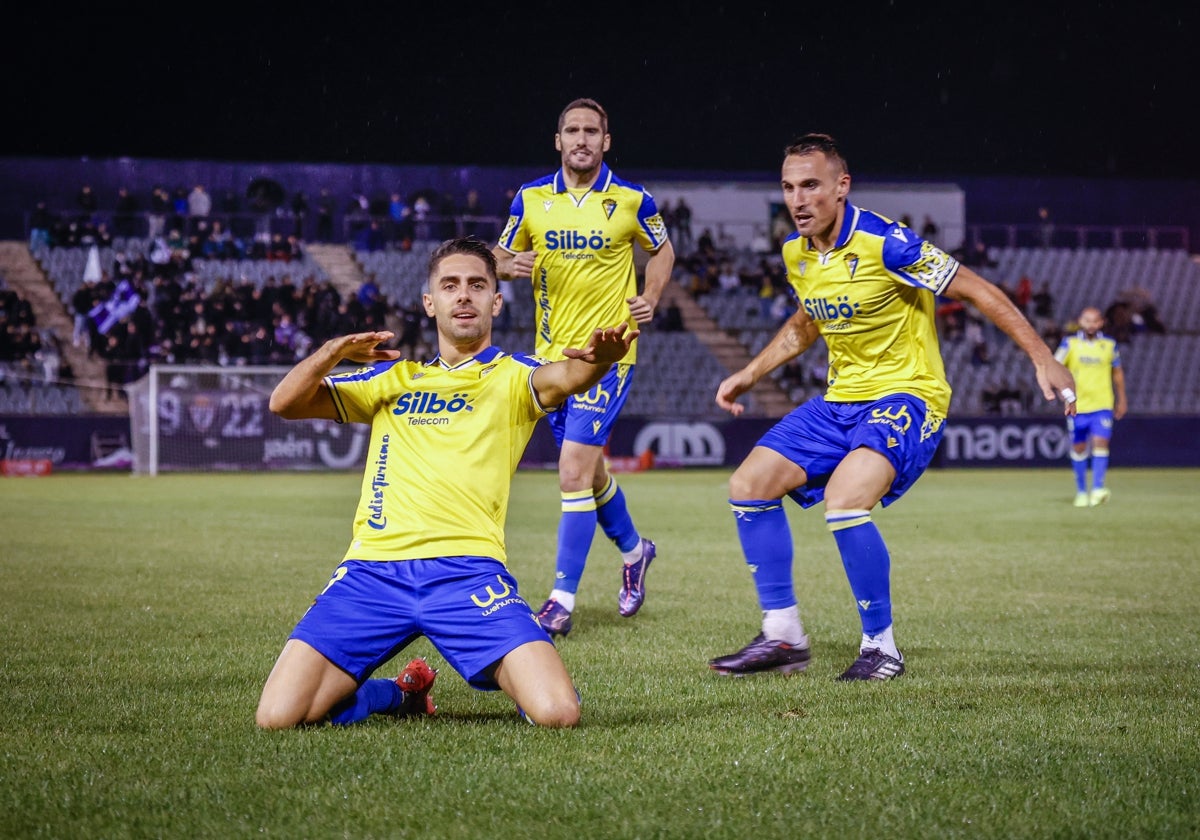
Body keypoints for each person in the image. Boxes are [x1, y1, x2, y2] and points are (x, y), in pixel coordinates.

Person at [708, 134, 1077, 681]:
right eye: (789, 187)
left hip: (909, 393)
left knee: (845, 498)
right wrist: (749, 372)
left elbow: (976, 290)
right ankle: (783, 636)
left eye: (811, 185)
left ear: (841, 186)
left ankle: (881, 648)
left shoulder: (888, 243)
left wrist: (1042, 356)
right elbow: (806, 322)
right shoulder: (796, 253)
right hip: (840, 401)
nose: (798, 199)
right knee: (749, 484)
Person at [255, 237, 640, 730]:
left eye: (477, 285)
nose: (464, 296)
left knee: (558, 712)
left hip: (468, 573)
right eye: (450, 286)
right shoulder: (393, 378)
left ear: (496, 302)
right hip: (373, 571)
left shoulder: (514, 376)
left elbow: (568, 376)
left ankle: (526, 676)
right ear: (429, 302)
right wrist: (332, 352)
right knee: (278, 716)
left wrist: (600, 360)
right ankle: (398, 695)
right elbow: (284, 403)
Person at [492, 97, 675, 637]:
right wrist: (508, 265)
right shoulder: (530, 199)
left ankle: (560, 601)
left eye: (591, 131)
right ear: (558, 140)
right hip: (552, 359)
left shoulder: (633, 200)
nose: (581, 139)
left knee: (571, 469)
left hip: (608, 355)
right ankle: (636, 551)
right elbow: (497, 257)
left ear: (606, 141)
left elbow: (662, 251)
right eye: (572, 130)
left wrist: (652, 296)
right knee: (590, 474)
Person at [1054, 306, 1127, 508]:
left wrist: (1122, 399)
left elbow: (1117, 373)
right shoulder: (1070, 344)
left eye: (1095, 321)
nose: (1091, 324)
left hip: (1102, 404)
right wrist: (1064, 393)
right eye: (1087, 320)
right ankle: (1081, 492)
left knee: (1101, 443)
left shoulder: (1109, 345)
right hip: (1078, 406)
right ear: (1080, 321)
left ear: (1101, 322)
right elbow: (1055, 367)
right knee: (1078, 448)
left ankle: (1097, 489)